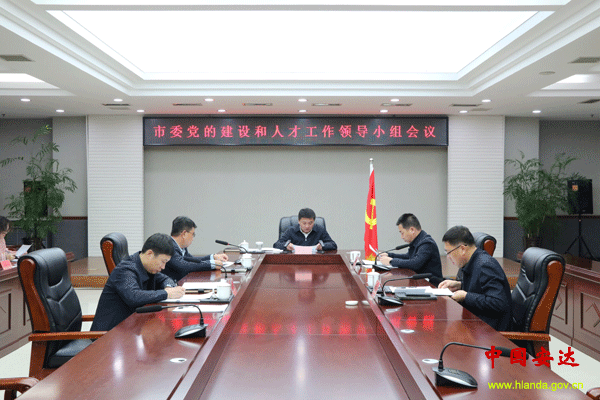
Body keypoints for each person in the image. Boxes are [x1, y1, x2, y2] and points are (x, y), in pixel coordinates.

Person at [91, 233, 185, 332]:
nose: (163, 267)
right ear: (150, 254)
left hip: (130, 328)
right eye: (163, 261)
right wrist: (166, 293)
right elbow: (134, 297)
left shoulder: (148, 268)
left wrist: (169, 287)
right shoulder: (124, 270)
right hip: (109, 335)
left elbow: (165, 279)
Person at [438, 226, 512, 331]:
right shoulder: (472, 262)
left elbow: (498, 303)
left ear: (462, 249)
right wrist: (459, 285)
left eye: (449, 252)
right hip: (477, 324)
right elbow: (480, 288)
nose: (448, 257)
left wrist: (465, 296)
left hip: (490, 332)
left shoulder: (485, 265)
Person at [378, 213, 443, 286]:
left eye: (402, 233)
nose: (401, 237)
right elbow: (408, 257)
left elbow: (415, 264)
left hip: (431, 285)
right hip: (419, 283)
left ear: (412, 230)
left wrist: (391, 261)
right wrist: (389, 255)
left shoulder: (426, 243)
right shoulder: (418, 240)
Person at [162, 216, 229, 282]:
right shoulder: (169, 247)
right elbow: (183, 266)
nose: (193, 238)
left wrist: (213, 257)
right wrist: (211, 264)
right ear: (184, 234)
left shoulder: (181, 247)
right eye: (193, 234)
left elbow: (193, 260)